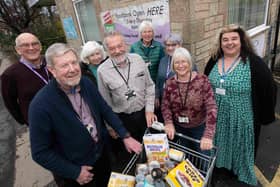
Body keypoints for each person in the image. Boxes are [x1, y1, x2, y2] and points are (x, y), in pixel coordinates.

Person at [29, 43, 142, 187]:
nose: (72, 69)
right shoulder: (40, 105)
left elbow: (105, 109)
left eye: (74, 62)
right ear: (52, 70)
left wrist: (125, 135)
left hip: (101, 157)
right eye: (64, 65)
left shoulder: (86, 83)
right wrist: (74, 172)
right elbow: (40, 152)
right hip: (76, 171)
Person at [204, 24, 277, 186]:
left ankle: (240, 174)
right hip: (218, 117)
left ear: (242, 40)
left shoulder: (254, 63)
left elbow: (269, 89)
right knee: (221, 144)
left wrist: (265, 116)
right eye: (225, 40)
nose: (230, 43)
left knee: (241, 148)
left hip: (242, 119)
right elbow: (205, 84)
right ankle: (222, 169)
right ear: (220, 43)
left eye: (234, 39)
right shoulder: (214, 59)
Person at [98, 31, 157, 162]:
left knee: (151, 150)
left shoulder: (138, 59)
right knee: (132, 155)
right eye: (112, 48)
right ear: (107, 51)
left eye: (120, 46)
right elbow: (104, 103)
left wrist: (149, 110)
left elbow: (149, 86)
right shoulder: (102, 70)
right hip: (123, 121)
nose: (117, 51)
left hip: (144, 115)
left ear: (126, 45)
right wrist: (110, 127)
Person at [161, 47, 217, 153]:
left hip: (199, 128)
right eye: (177, 62)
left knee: (203, 160)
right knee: (183, 159)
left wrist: (208, 135)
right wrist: (168, 123)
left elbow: (211, 107)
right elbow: (165, 105)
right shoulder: (170, 83)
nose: (181, 65)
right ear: (173, 65)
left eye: (184, 61)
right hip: (179, 129)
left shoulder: (202, 80)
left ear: (190, 63)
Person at [1, 32, 50, 125]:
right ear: (18, 50)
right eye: (25, 45)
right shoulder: (10, 74)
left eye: (34, 44)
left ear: (40, 46)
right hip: (39, 123)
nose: (31, 48)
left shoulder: (52, 62)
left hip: (63, 114)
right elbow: (10, 103)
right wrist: (26, 120)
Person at [155, 33, 197, 122]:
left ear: (180, 45)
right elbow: (158, 79)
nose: (170, 48)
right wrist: (157, 96)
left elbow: (194, 84)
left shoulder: (188, 61)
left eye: (173, 45)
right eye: (167, 45)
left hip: (180, 102)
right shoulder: (163, 60)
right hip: (164, 100)